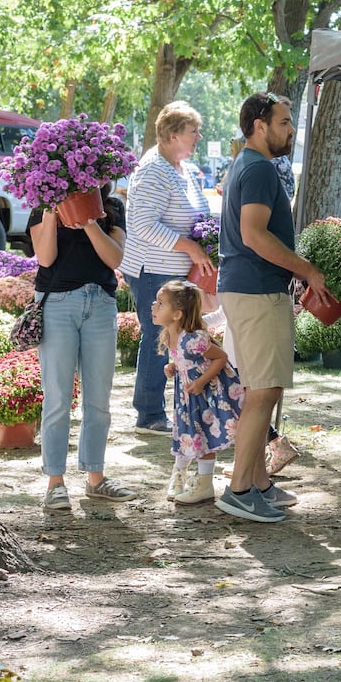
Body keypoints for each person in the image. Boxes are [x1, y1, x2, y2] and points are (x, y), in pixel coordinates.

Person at [216, 91, 329, 523]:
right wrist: (307, 269)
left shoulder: (248, 164)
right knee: (264, 391)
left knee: (261, 389)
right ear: (258, 125)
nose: (290, 129)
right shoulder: (260, 168)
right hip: (256, 290)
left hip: (247, 288)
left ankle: (259, 483)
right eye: (283, 122)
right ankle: (239, 489)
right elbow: (255, 235)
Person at [33, 186, 135, 509]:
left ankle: (96, 478)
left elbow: (115, 258)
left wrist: (90, 222)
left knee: (99, 400)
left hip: (100, 303)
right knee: (58, 397)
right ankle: (55, 483)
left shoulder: (112, 206)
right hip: (56, 303)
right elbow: (45, 257)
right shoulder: (43, 200)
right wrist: (54, 208)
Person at [120, 101, 216, 436]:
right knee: (157, 337)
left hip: (177, 270)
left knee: (177, 338)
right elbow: (143, 225)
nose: (198, 137)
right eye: (193, 132)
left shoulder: (182, 167)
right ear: (172, 135)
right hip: (153, 270)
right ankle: (148, 414)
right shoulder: (152, 170)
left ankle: (174, 407)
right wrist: (190, 245)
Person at [152, 279, 244, 505]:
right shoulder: (170, 334)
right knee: (186, 434)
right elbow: (186, 360)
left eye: (160, 303)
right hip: (188, 396)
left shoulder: (193, 339)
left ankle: (204, 483)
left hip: (204, 396)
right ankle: (180, 475)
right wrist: (173, 366)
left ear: (177, 315)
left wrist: (202, 380)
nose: (154, 306)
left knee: (204, 436)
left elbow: (221, 357)